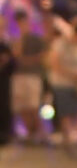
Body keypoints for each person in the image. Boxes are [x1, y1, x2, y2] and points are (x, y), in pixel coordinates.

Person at [47, 24, 77, 148]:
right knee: (66, 112)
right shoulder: (60, 44)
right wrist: (72, 75)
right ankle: (68, 138)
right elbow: (54, 64)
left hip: (76, 84)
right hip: (62, 84)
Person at [11, 11, 49, 144]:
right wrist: (21, 37)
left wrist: (27, 60)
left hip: (33, 75)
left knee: (33, 105)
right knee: (22, 106)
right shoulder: (16, 39)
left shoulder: (37, 39)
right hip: (19, 76)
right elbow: (16, 55)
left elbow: (42, 56)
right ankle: (30, 133)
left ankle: (41, 133)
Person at [0, 16, 13, 146]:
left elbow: (12, 63)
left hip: (3, 81)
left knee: (4, 106)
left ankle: (4, 134)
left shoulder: (5, 45)